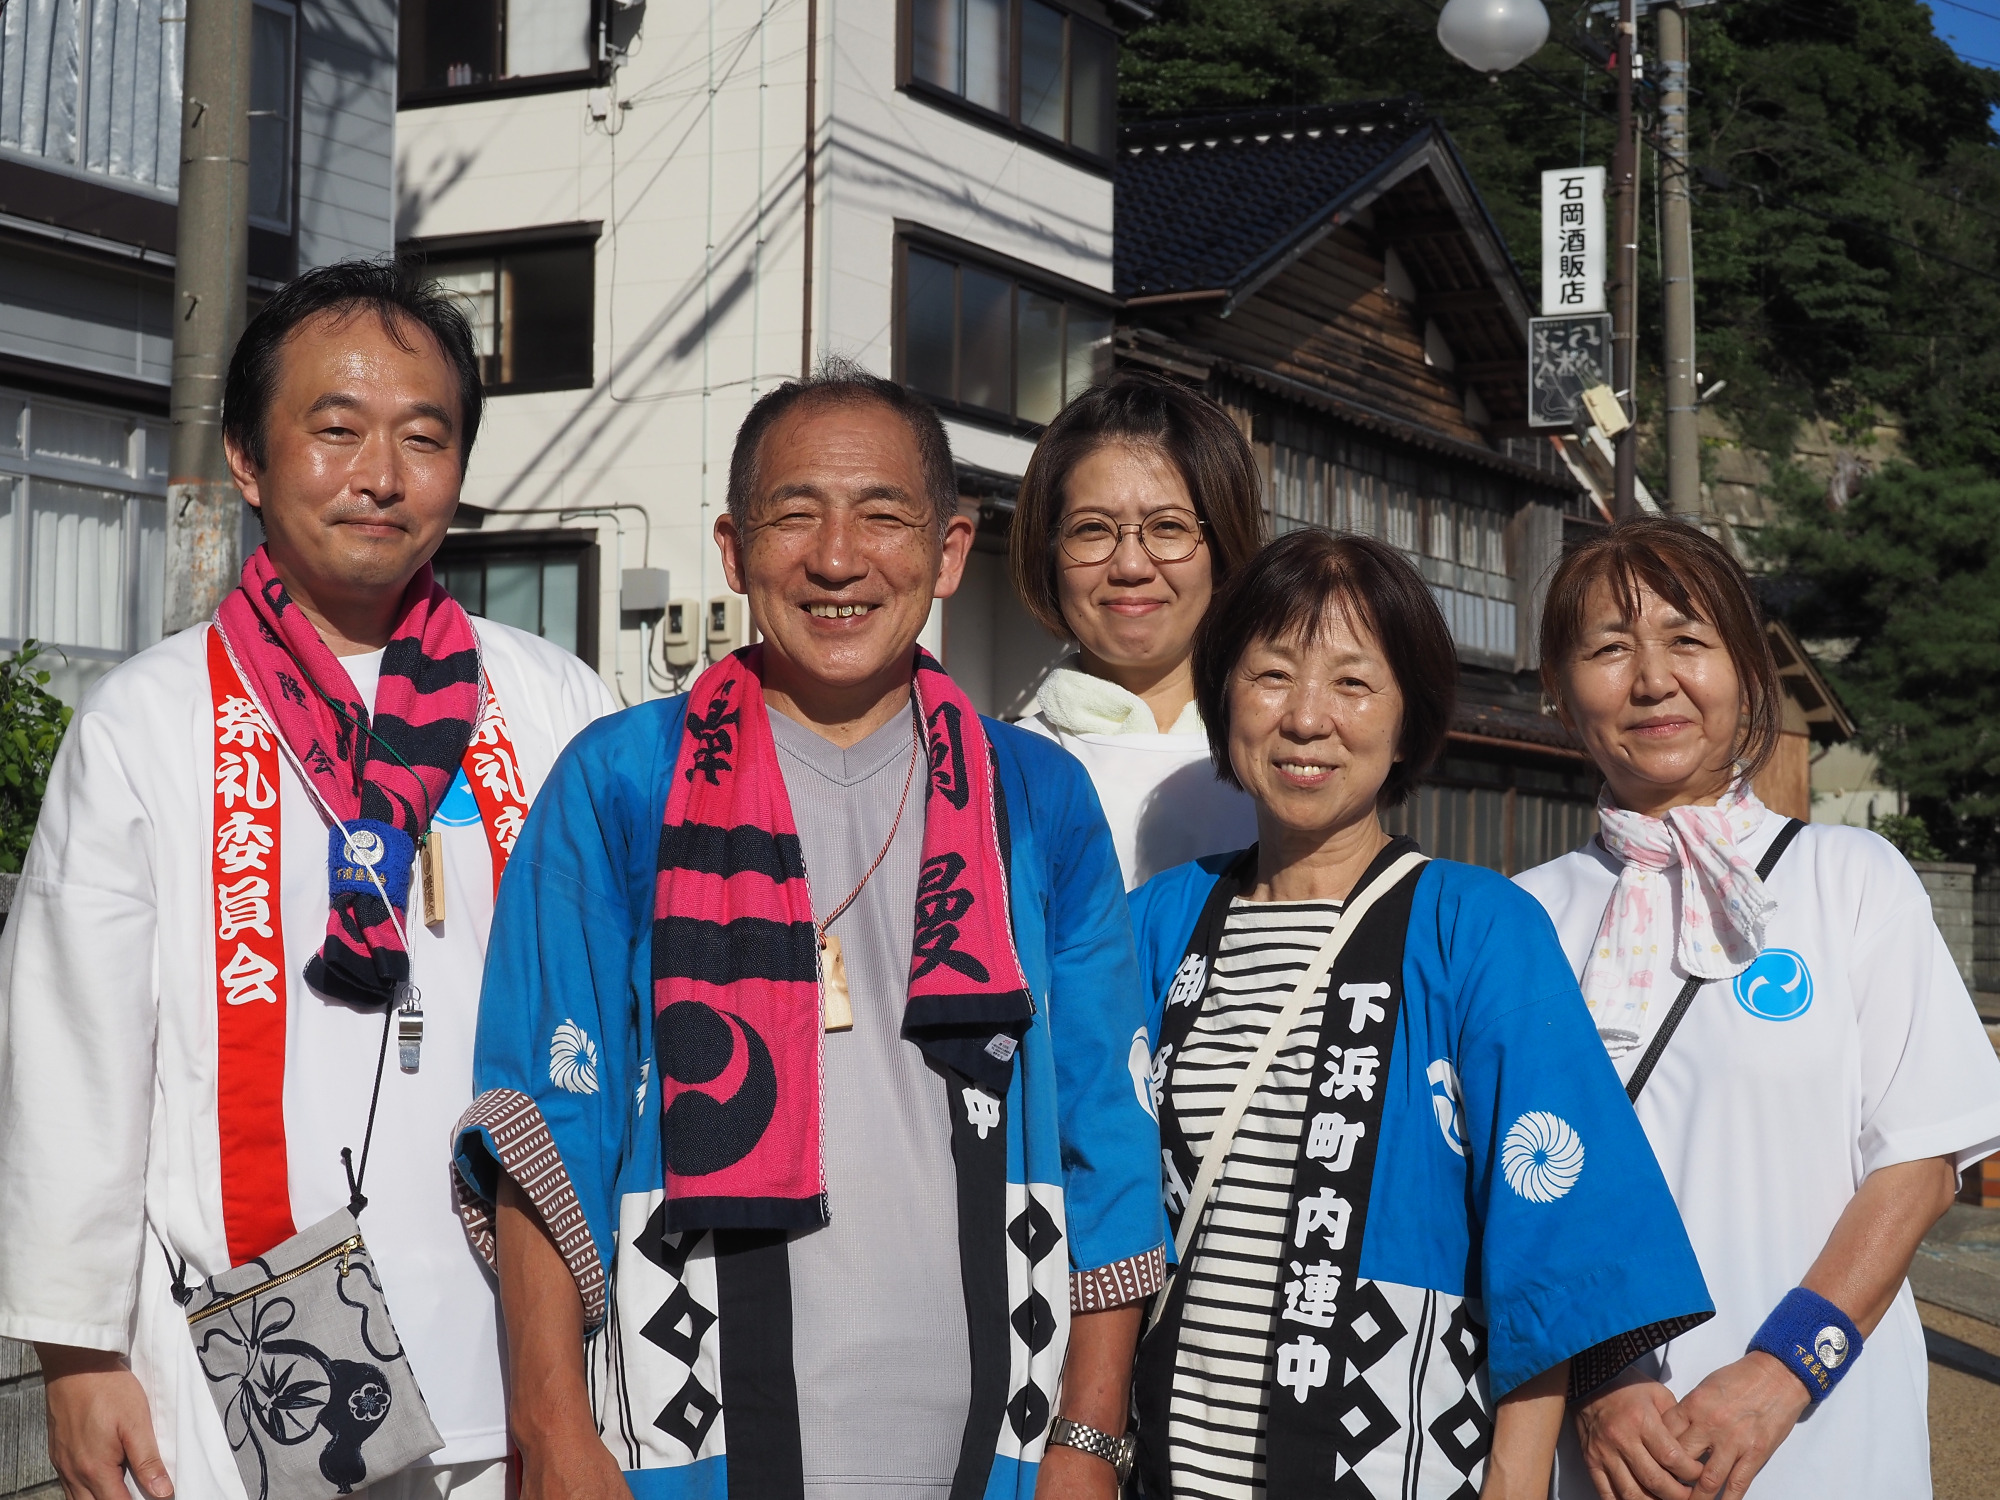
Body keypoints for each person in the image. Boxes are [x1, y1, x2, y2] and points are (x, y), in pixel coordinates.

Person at [454, 362, 1166, 1500]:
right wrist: (548, 1424)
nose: (838, 558)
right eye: (796, 514)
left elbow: (1107, 1137)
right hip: (681, 1439)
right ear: (734, 550)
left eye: (883, 515)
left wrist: (1087, 1441)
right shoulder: (623, 780)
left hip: (995, 1442)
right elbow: (549, 1119)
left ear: (947, 550)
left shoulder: (1033, 798)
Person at [0, 261, 615, 1500]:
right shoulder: (151, 720)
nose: (380, 474)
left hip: (529, 1349)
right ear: (247, 458)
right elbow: (73, 1049)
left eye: (422, 437)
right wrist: (77, 1352)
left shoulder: (552, 703)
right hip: (251, 1352)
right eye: (334, 430)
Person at [1125, 528, 1713, 1500]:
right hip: (1164, 1466)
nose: (1306, 718)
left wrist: (1514, 1487)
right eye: (1272, 675)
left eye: (1352, 684)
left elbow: (1548, 1247)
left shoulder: (1475, 928)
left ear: (1406, 723)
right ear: (1224, 697)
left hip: (1386, 1466)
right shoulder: (1155, 922)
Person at [1513, 516, 2000, 1500]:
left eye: (1688, 641)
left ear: (1744, 673)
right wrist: (1600, 1382)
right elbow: (1505, 1195)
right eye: (1609, 648)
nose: (1652, 679)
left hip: (1823, 1427)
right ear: (1559, 697)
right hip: (1604, 1453)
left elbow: (1916, 1162)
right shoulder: (1519, 915)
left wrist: (1782, 1370)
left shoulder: (1847, 876)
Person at [1010, 375, 1262, 888]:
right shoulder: (997, 772)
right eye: (1091, 528)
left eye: (1169, 527)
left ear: (1225, 549)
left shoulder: (1281, 765)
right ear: (1049, 554)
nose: (1129, 564)